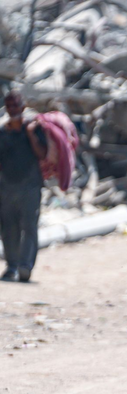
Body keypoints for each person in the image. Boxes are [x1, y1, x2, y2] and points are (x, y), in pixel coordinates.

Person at [0, 90, 48, 283]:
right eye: (9, 106)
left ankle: (25, 266)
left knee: (29, 226)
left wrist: (29, 134)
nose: (12, 110)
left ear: (23, 107)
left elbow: (42, 153)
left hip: (30, 186)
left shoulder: (35, 129)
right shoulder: (3, 132)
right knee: (8, 228)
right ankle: (11, 266)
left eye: (15, 106)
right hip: (6, 187)